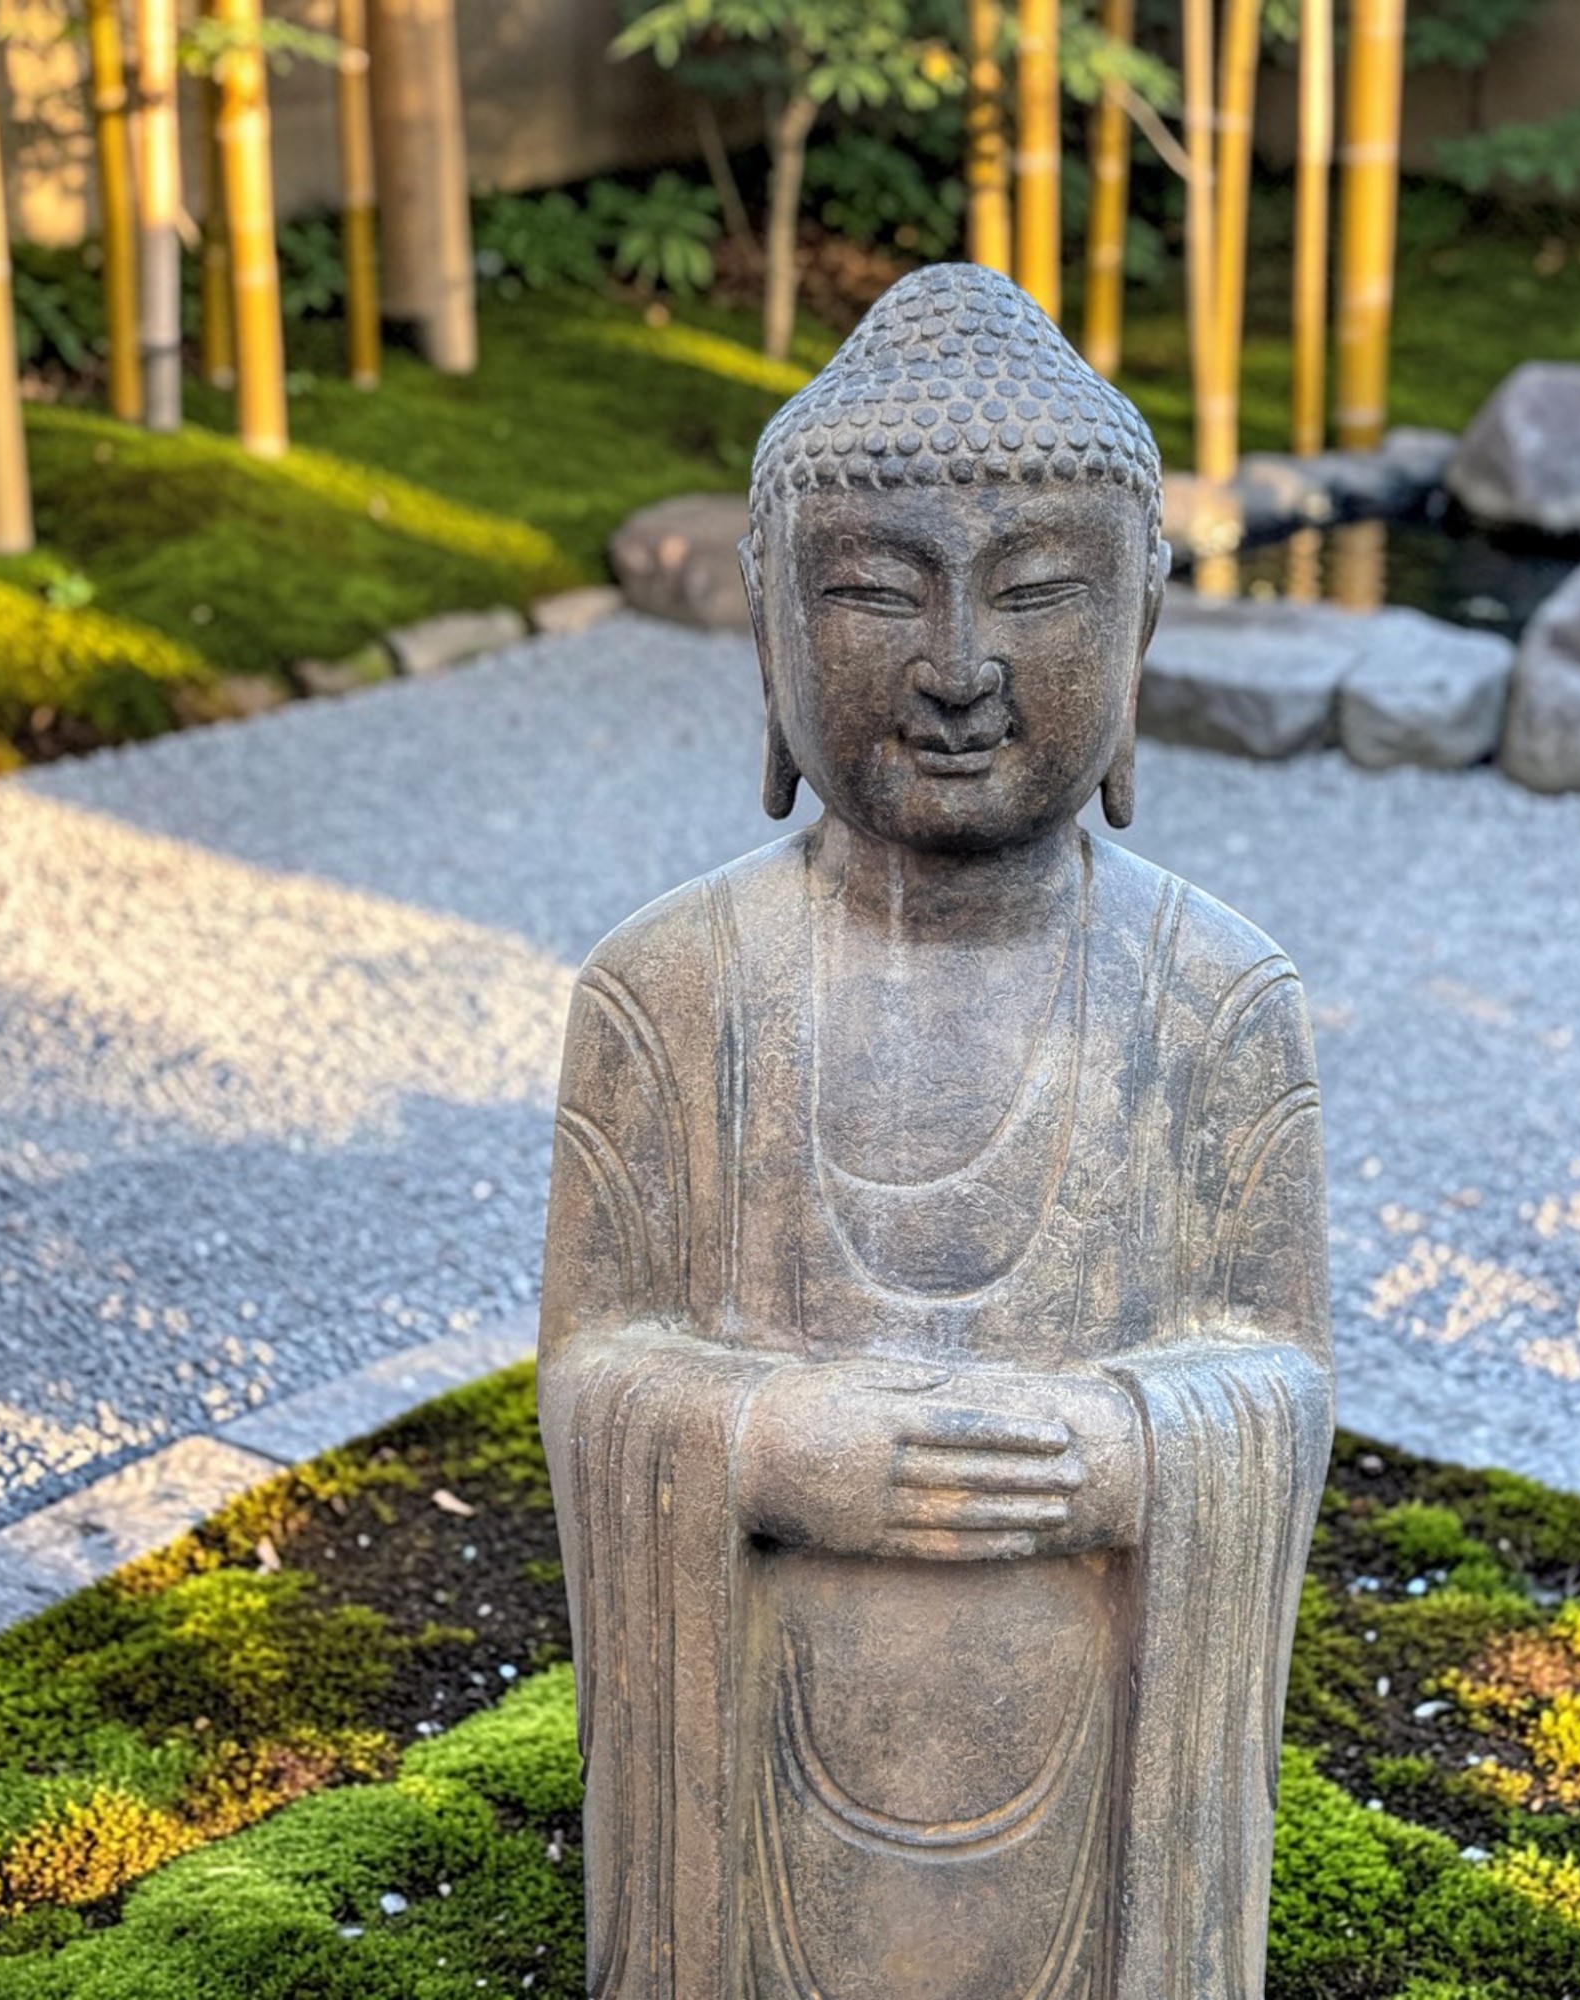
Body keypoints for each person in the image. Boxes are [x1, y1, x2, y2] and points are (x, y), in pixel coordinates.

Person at [537, 263, 1333, 2000]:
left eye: (1040, 592)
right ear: (767, 628)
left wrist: (1131, 1456)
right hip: (755, 1807)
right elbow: (596, 1366)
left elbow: (1276, 1368)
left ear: (1140, 633)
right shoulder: (665, 993)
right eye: (877, 593)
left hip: (1098, 1804)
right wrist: (763, 1448)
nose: (962, 671)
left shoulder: (1218, 997)